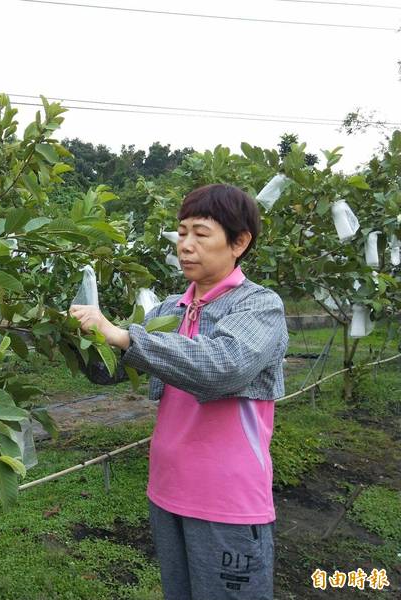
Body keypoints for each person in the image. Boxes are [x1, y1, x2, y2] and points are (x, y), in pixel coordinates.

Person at [69, 183, 288, 600]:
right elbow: (111, 371)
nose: (185, 245)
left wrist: (120, 335)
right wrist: (74, 337)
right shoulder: (169, 309)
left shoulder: (260, 306)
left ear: (239, 242)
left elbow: (222, 366)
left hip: (228, 498)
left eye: (201, 234)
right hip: (167, 489)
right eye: (182, 232)